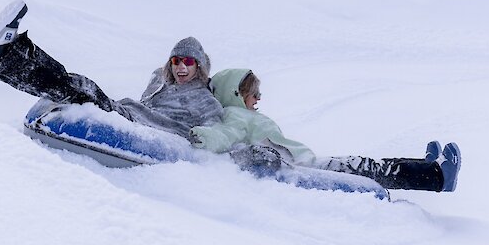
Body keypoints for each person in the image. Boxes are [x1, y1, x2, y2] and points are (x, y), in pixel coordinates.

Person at [0, 0, 223, 139]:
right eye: (176, 61)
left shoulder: (204, 100)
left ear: (199, 66)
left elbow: (219, 135)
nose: (181, 67)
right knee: (72, 86)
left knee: (83, 88)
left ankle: (9, 51)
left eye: (188, 62)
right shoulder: (159, 79)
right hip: (128, 112)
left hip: (143, 127)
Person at [189, 68, 461, 192]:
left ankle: (426, 167)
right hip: (306, 168)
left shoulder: (242, 114)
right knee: (371, 169)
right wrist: (207, 137)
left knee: (369, 165)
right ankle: (437, 177)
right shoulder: (235, 115)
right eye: (253, 93)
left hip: (307, 162)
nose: (259, 98)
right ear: (234, 94)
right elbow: (226, 135)